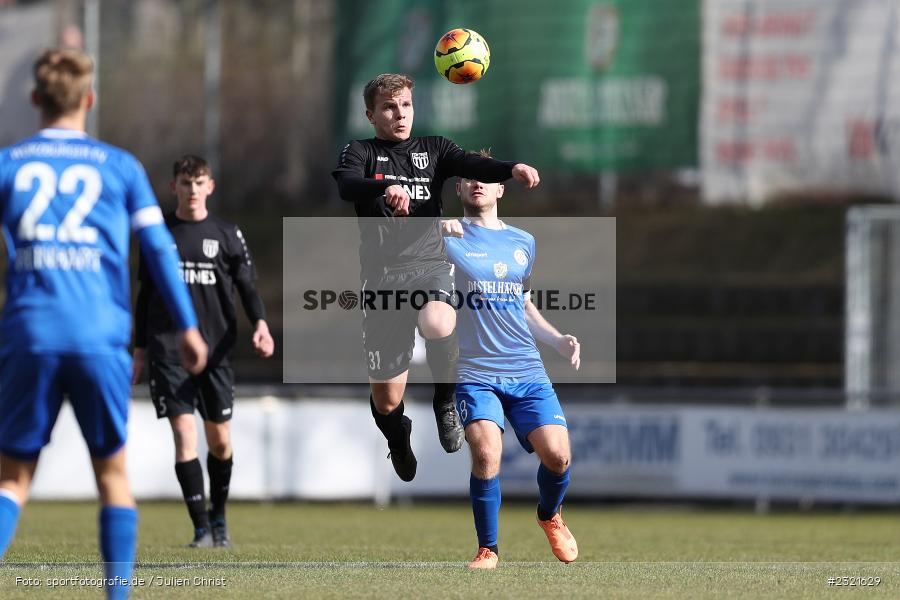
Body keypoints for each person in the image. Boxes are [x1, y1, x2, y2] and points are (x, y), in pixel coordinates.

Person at [0, 49, 206, 598]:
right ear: (89, 100)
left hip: (29, 334)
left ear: (35, 100)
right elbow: (159, 251)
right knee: (112, 476)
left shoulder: (8, 165)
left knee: (11, 480)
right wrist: (187, 326)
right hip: (98, 338)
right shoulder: (120, 167)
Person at [331, 73, 540, 482]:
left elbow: (472, 163)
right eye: (389, 107)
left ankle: (445, 400)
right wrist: (385, 186)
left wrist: (510, 167)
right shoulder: (360, 152)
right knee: (388, 401)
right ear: (371, 114)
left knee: (439, 320)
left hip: (429, 266)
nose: (400, 114)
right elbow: (347, 186)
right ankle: (397, 436)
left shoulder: (435, 148)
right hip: (382, 280)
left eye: (406, 105)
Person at [442, 151, 580, 569]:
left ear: (501, 188)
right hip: (474, 371)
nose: (477, 183)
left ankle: (548, 514)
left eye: (485, 178)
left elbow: (523, 305)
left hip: (525, 369)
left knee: (558, 457)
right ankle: (489, 549)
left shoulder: (524, 241)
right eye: (468, 177)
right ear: (459, 188)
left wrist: (557, 340)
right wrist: (430, 233)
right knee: (486, 452)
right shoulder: (445, 233)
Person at [132, 155, 274, 548]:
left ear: (210, 187)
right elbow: (144, 297)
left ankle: (219, 517)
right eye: (184, 182)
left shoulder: (227, 233)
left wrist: (260, 324)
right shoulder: (158, 233)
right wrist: (140, 351)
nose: (192, 190)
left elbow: (247, 286)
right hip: (168, 348)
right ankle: (200, 529)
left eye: (199, 183)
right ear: (172, 187)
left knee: (220, 441)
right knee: (183, 434)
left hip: (217, 351)